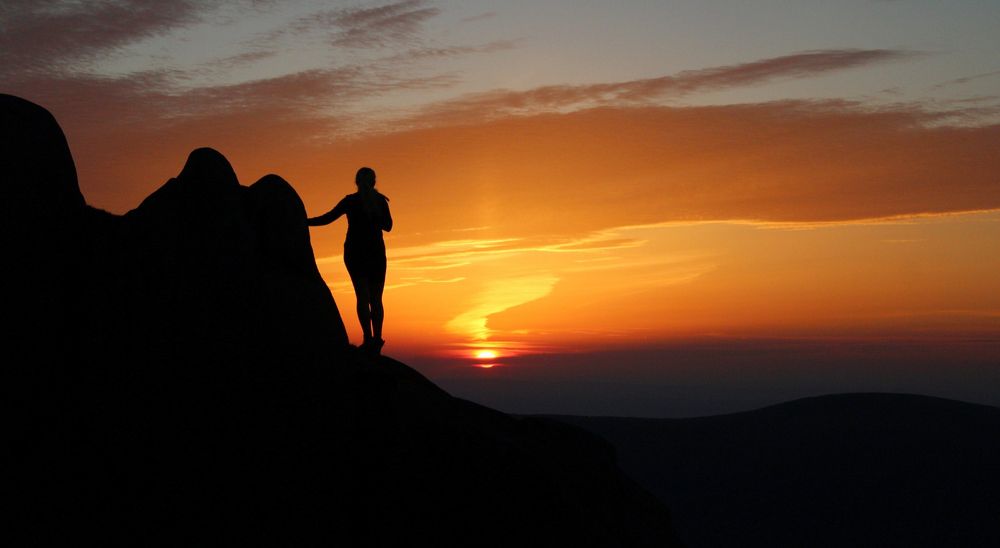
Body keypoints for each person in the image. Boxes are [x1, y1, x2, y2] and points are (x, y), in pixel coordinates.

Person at [307, 167, 392, 354]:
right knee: (376, 299)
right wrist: (375, 216)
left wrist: (306, 221)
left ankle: (368, 339)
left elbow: (328, 218)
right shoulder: (380, 201)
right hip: (375, 253)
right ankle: (376, 339)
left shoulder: (351, 201)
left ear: (356, 182)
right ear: (374, 182)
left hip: (355, 252)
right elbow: (388, 226)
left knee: (362, 297)